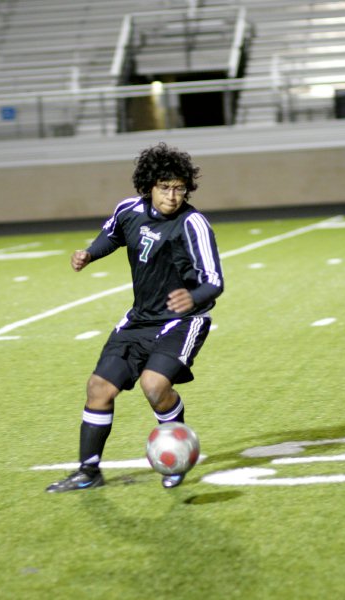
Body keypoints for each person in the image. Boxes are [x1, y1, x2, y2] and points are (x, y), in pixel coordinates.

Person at [46, 142, 224, 492]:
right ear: (148, 187)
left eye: (179, 188)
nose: (173, 196)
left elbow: (215, 281)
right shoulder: (129, 210)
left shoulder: (193, 224)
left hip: (182, 321)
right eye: (165, 187)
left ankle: (179, 451)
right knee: (99, 388)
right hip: (139, 320)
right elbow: (110, 235)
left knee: (154, 385)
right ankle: (88, 471)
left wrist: (192, 296)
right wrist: (88, 254)